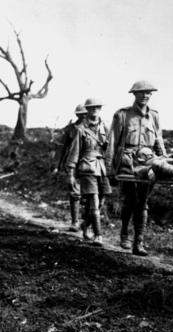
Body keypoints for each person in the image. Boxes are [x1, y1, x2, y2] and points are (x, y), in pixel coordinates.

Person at [108, 80, 173, 256]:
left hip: (148, 161)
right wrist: (110, 168)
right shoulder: (122, 115)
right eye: (141, 93)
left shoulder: (154, 116)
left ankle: (138, 242)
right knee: (130, 200)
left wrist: (163, 158)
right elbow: (112, 142)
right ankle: (125, 233)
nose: (145, 96)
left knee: (143, 202)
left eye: (148, 93)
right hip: (128, 162)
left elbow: (158, 139)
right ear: (134, 94)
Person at [65, 98, 112, 246]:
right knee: (94, 200)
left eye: (97, 108)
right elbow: (74, 152)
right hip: (87, 167)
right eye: (91, 108)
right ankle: (98, 235)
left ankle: (86, 225)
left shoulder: (105, 126)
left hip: (102, 167)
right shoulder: (81, 129)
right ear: (87, 110)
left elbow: (111, 148)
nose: (95, 110)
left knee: (101, 201)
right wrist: (71, 174)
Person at [57, 104, 88, 232]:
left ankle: (87, 223)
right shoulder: (71, 129)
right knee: (75, 193)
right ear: (77, 115)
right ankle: (75, 222)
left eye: (86, 114)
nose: (84, 116)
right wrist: (59, 164)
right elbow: (63, 147)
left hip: (89, 164)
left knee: (90, 194)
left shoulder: (94, 128)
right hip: (73, 163)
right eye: (81, 114)